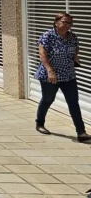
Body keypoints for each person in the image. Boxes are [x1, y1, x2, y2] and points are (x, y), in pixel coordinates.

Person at [34, 12, 90, 142]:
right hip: (50, 75)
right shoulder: (48, 36)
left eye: (70, 23)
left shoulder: (73, 37)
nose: (68, 25)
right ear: (56, 22)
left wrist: (75, 57)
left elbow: (76, 48)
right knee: (48, 100)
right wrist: (50, 71)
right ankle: (39, 123)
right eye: (65, 22)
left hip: (68, 75)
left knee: (73, 103)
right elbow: (42, 55)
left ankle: (81, 132)